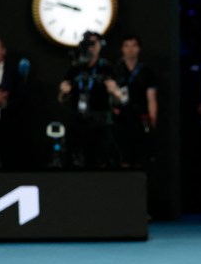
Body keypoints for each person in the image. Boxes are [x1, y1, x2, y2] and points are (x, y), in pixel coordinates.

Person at [58, 32, 123, 167]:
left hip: (100, 121)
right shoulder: (75, 68)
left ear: (100, 45)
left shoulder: (107, 68)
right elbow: (61, 99)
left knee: (100, 158)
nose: (91, 47)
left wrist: (114, 92)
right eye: (88, 43)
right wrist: (63, 92)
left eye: (95, 43)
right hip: (78, 121)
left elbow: (120, 98)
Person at [113, 35, 158, 168]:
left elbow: (152, 98)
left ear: (139, 49)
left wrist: (152, 121)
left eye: (134, 46)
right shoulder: (115, 70)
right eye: (127, 46)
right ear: (122, 49)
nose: (130, 50)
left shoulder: (147, 72)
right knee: (122, 156)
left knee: (141, 158)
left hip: (140, 118)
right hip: (120, 119)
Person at [0, 36, 27, 168]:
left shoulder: (14, 73)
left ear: (3, 51)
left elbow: (22, 99)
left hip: (8, 126)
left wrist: (4, 103)